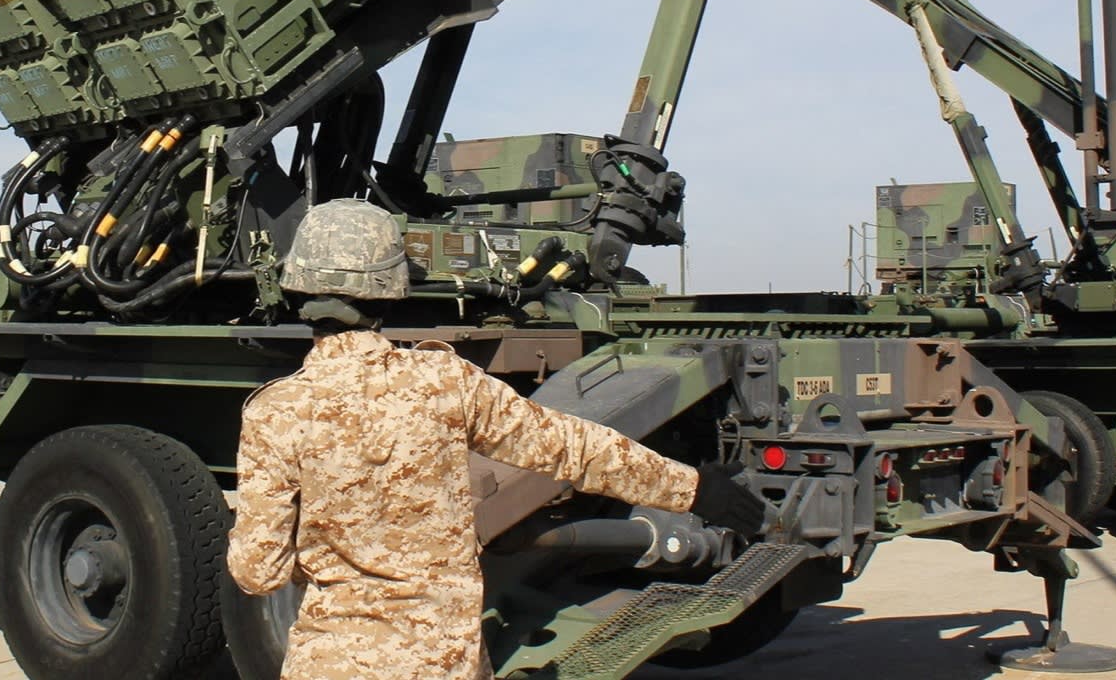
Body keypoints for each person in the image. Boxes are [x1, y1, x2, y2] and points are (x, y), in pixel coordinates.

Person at [227, 199, 768, 679]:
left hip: (330, 662)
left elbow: (257, 572)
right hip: (444, 661)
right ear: (389, 289)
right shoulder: (447, 382)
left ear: (297, 285)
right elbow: (572, 449)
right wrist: (693, 489)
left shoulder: (276, 413)